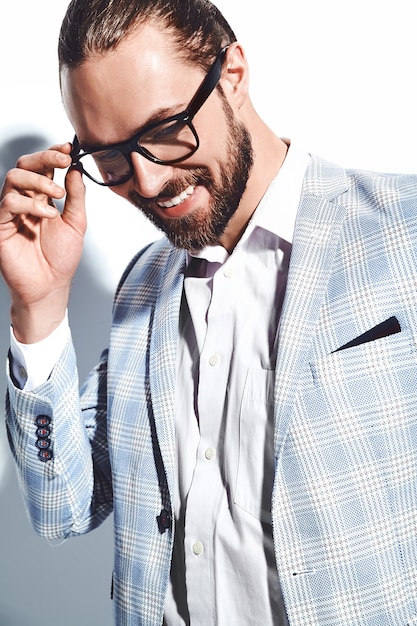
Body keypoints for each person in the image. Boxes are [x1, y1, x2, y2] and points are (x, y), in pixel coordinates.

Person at [2, 0, 417, 624]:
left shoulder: (402, 234)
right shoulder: (142, 287)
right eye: (110, 157)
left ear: (233, 74)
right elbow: (63, 510)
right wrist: (39, 304)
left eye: (165, 130)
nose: (144, 181)